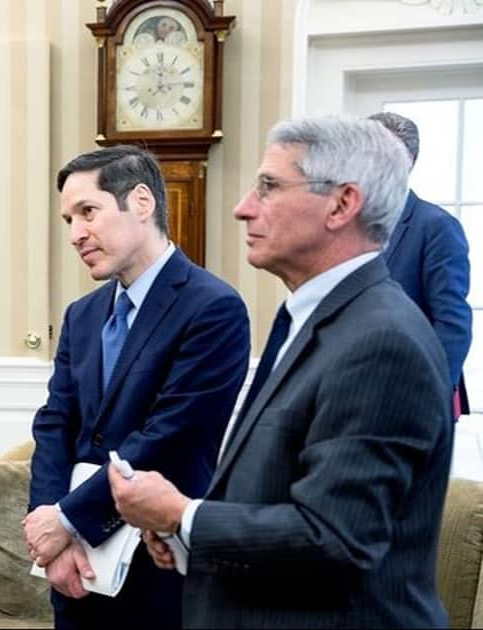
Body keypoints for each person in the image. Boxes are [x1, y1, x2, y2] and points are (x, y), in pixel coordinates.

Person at [109, 115, 452, 628]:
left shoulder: (381, 341)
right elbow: (275, 491)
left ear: (342, 204)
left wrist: (182, 514)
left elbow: (333, 537)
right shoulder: (311, 317)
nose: (242, 208)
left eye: (268, 187)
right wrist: (188, 535)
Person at [24, 145, 249, 628]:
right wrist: (52, 535)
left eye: (88, 212)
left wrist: (66, 519)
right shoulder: (81, 316)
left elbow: (170, 437)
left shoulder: (214, 309)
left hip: (160, 573)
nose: (75, 234)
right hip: (76, 576)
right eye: (68, 219)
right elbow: (55, 426)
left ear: (142, 203)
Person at [368, 111, 471, 417]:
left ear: (408, 161)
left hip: (415, 396)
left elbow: (453, 323)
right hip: (359, 389)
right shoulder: (349, 222)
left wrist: (426, 394)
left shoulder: (436, 226)